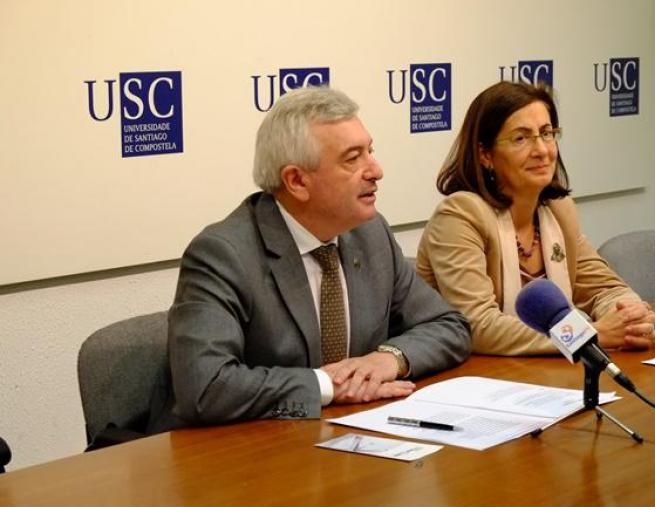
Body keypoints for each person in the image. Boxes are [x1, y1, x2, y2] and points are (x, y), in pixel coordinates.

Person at [149, 87, 470, 432]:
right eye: (352, 158)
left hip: (345, 435)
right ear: (297, 180)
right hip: (243, 454)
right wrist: (328, 385)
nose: (376, 170)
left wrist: (388, 359)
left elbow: (449, 326)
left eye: (370, 152)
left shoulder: (370, 233)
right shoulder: (224, 254)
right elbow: (206, 386)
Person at [416, 81, 655, 356]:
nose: (542, 151)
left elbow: (604, 288)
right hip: (470, 380)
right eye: (521, 138)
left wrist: (630, 317)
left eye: (547, 134)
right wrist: (585, 337)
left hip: (541, 373)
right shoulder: (460, 216)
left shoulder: (557, 210)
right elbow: (476, 326)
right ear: (485, 155)